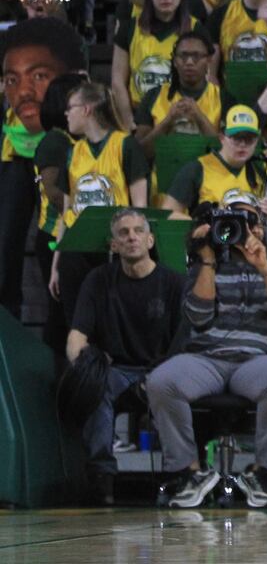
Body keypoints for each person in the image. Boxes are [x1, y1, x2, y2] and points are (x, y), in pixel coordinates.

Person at [145, 199, 267, 510]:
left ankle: (265, 474)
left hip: (259, 360)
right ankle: (189, 472)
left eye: (245, 222)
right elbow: (198, 317)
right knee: (162, 380)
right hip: (206, 358)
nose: (236, 230)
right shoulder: (202, 267)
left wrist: (263, 265)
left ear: (259, 228)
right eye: (230, 222)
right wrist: (206, 260)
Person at [66, 209, 185, 505]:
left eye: (137, 231)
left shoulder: (173, 283)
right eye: (123, 233)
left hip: (161, 369)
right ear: (114, 245)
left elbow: (185, 344)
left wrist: (160, 375)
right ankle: (101, 477)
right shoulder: (98, 280)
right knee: (97, 385)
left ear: (150, 239)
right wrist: (84, 369)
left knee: (174, 387)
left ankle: (181, 476)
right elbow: (76, 337)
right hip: (117, 369)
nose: (131, 237)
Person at [0, 16, 84, 317]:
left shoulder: (64, 48)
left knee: (52, 236)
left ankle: (60, 315)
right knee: (7, 242)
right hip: (16, 159)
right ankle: (7, 324)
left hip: (55, 153)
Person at [50, 83, 150, 321]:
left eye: (70, 108)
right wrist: (56, 264)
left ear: (86, 109)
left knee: (112, 320)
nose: (66, 114)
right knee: (77, 321)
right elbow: (66, 214)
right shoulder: (73, 152)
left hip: (115, 250)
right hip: (77, 252)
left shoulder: (125, 145)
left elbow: (140, 209)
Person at [134, 32, 224, 152]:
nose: (189, 62)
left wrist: (199, 117)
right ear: (175, 61)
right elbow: (140, 153)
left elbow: (226, 153)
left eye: (196, 56)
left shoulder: (223, 98)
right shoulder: (153, 96)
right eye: (183, 56)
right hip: (164, 170)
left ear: (209, 60)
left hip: (208, 170)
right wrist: (168, 121)